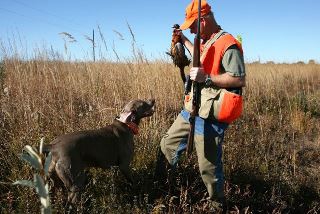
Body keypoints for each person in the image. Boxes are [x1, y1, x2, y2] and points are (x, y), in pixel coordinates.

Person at [157, 0, 246, 207]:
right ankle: (164, 190)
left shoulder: (229, 44)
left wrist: (206, 78)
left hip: (211, 113)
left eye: (193, 26)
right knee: (166, 145)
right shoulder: (205, 39)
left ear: (203, 21)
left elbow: (239, 79)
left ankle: (216, 205)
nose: (193, 30)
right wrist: (184, 39)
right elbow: (201, 55)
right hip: (192, 107)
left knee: (208, 166)